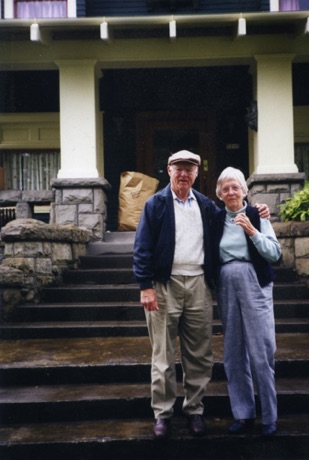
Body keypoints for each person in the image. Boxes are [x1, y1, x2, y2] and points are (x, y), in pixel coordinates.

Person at [133, 151, 270, 439]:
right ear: (168, 170)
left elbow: (235, 211)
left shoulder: (207, 206)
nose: (184, 174)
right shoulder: (155, 204)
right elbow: (142, 247)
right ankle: (163, 415)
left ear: (196, 174)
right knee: (163, 355)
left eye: (189, 169)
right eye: (178, 168)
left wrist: (258, 211)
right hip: (164, 285)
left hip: (198, 285)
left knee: (199, 355)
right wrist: (145, 286)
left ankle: (194, 411)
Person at [212, 166, 281, 437]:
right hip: (226, 282)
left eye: (235, 187)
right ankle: (243, 414)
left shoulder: (256, 214)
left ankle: (269, 417)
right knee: (233, 351)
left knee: (262, 350)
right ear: (219, 194)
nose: (231, 192)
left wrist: (252, 230)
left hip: (255, 280)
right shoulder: (216, 220)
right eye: (225, 188)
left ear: (244, 191)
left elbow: (274, 253)